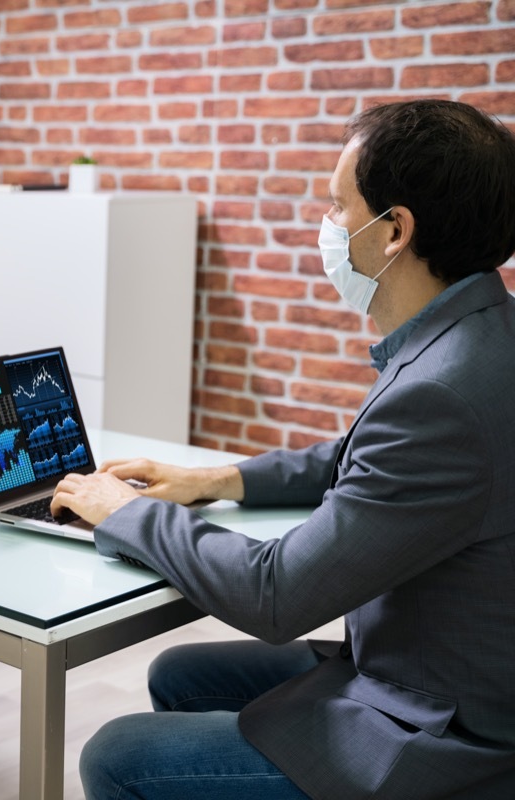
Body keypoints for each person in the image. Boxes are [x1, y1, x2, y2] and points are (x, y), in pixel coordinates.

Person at [52, 99, 515, 799]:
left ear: (394, 231)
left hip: (443, 734)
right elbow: (359, 460)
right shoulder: (479, 337)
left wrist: (124, 512)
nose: (328, 226)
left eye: (338, 206)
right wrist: (212, 479)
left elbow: (278, 595)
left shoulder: (441, 394)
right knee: (179, 673)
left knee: (117, 755)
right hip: (441, 672)